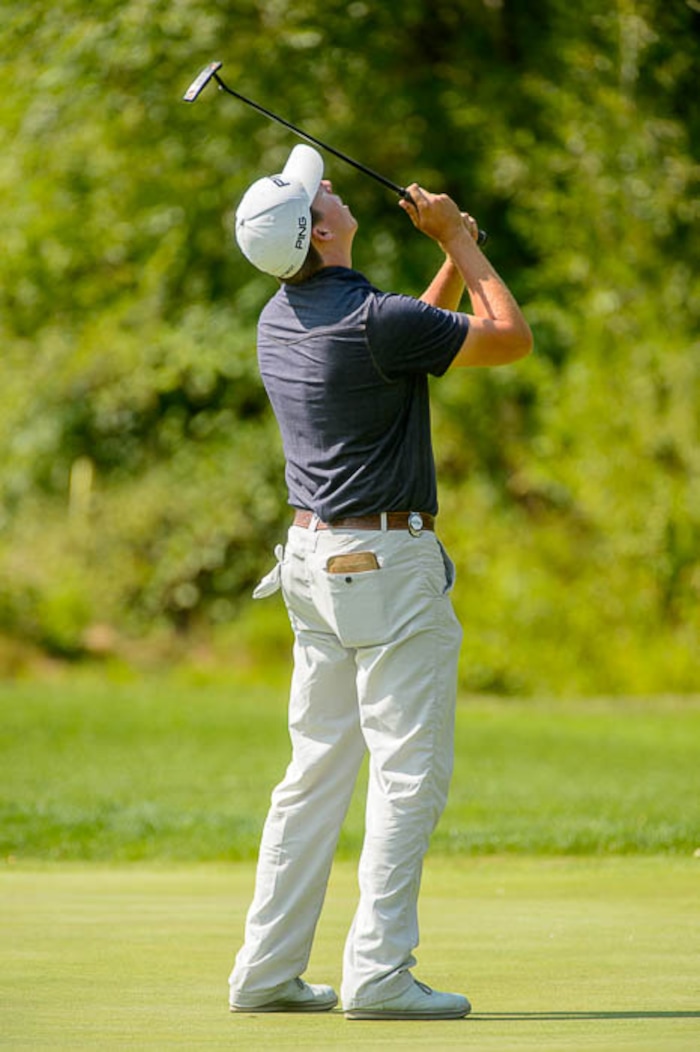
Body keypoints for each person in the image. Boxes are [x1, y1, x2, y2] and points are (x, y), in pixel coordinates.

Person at [227, 144, 532, 1021]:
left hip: (309, 571)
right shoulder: (375, 320)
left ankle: (266, 971)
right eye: (313, 189)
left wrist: (442, 262)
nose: (325, 184)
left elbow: (401, 344)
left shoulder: (276, 318)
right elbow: (510, 340)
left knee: (314, 774)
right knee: (407, 776)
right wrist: (465, 249)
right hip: (387, 572)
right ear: (321, 230)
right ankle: (380, 975)